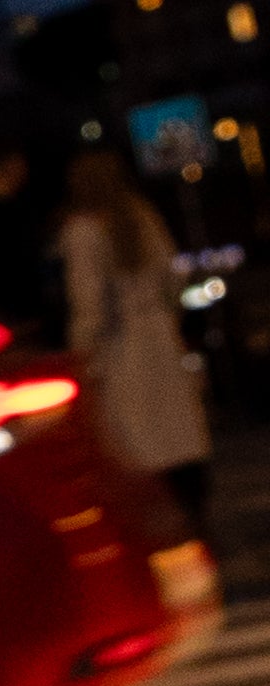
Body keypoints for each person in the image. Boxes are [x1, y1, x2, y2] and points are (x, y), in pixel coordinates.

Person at [55, 141, 213, 536]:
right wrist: (169, 320)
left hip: (119, 347)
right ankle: (196, 517)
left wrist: (81, 353)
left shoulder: (82, 230)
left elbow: (89, 303)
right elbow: (173, 279)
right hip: (160, 337)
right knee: (179, 434)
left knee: (138, 440)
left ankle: (165, 531)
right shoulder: (142, 216)